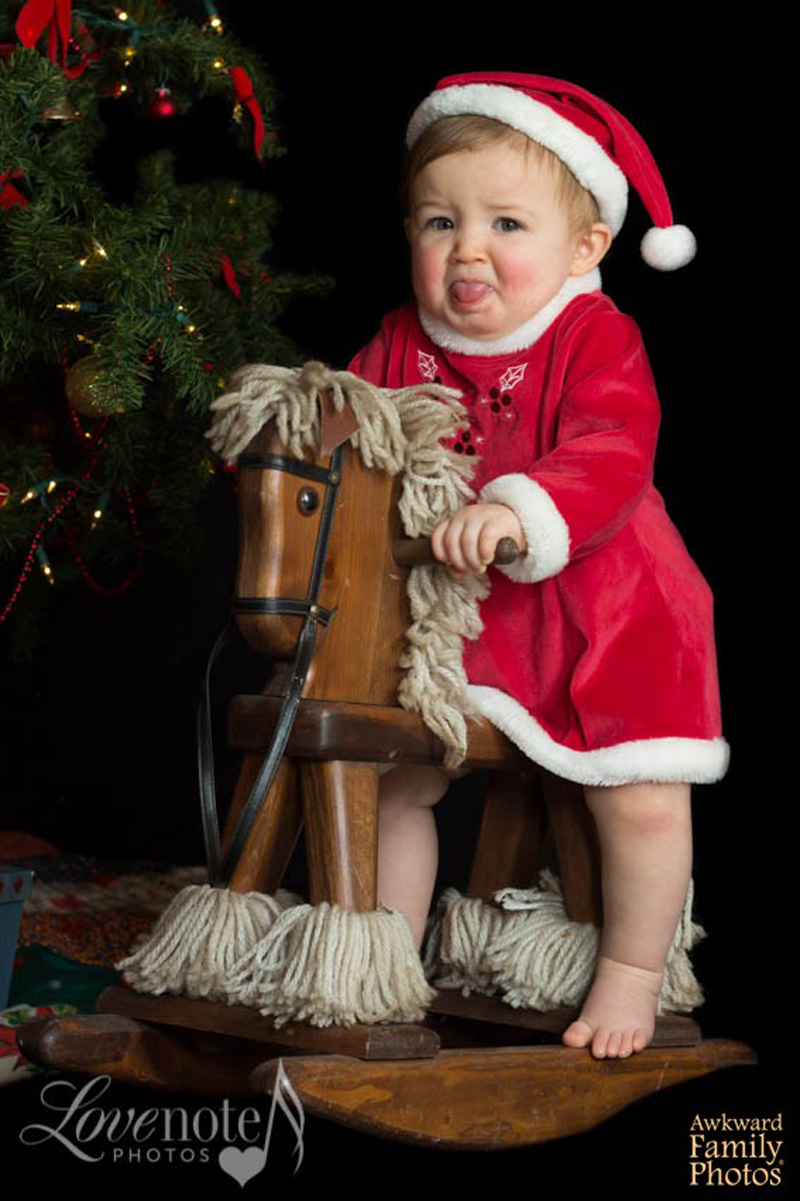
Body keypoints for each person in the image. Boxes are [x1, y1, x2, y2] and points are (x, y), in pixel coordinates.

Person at [347, 72, 729, 1060]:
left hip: (607, 602)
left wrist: (518, 511)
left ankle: (632, 970)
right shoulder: (399, 340)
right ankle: (385, 963)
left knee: (639, 793)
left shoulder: (592, 334)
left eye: (505, 224)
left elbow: (612, 447)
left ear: (585, 245)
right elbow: (343, 429)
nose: (465, 250)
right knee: (392, 776)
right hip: (459, 617)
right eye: (438, 221)